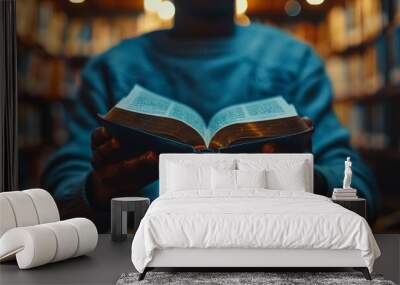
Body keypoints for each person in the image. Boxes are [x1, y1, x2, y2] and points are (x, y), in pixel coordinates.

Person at [43, 0, 380, 231]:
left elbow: (357, 185)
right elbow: (60, 192)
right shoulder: (109, 69)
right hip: (139, 254)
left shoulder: (295, 61)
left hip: (270, 252)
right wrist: (99, 190)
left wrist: (302, 178)